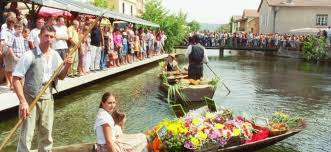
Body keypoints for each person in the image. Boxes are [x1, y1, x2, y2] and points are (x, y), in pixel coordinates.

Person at [13, 25, 73, 152]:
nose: (48, 39)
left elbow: (61, 76)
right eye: (46, 36)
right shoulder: (29, 55)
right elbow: (16, 79)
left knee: (46, 133)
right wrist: (22, 102)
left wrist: (67, 65)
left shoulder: (55, 55)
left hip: (48, 97)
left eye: (51, 37)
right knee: (26, 135)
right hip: (30, 98)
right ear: (40, 36)